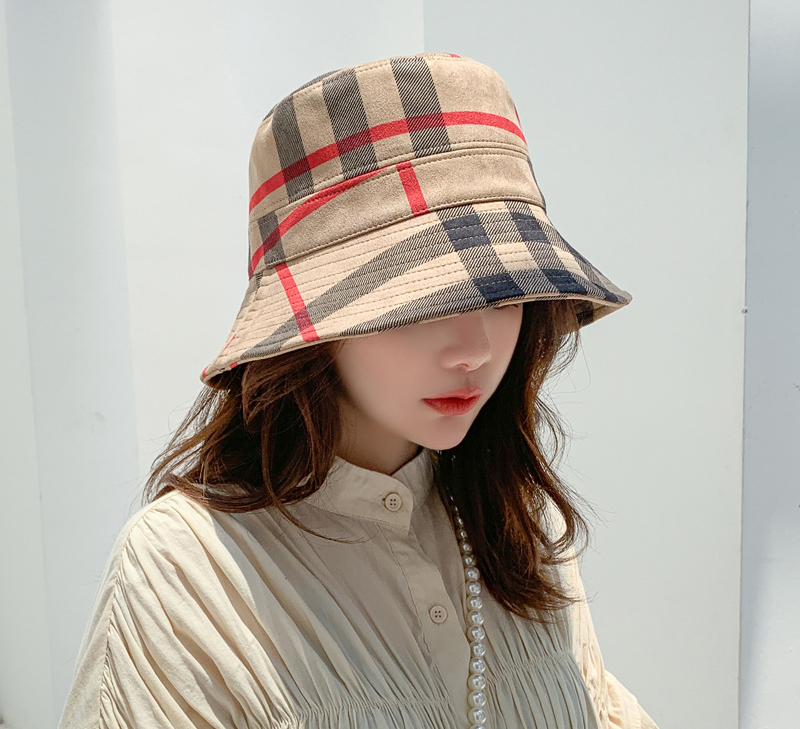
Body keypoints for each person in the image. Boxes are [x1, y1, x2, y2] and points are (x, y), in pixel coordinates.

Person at [58, 52, 658, 728]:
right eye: (421, 302)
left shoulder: (517, 518)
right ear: (315, 332)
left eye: (502, 294)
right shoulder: (189, 571)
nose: (474, 349)